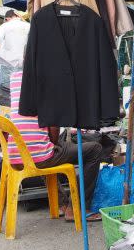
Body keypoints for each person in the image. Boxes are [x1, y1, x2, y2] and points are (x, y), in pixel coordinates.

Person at [7, 70, 102, 222]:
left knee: (45, 145)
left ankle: (62, 204)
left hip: (15, 156)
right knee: (94, 150)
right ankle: (76, 208)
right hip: (38, 156)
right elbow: (53, 125)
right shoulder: (48, 80)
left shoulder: (14, 78)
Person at [0, 10, 29, 114]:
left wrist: (4, 57)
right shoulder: (29, 26)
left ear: (7, 19)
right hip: (26, 68)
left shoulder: (4, 27)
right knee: (23, 96)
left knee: (3, 98)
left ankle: (2, 123)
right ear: (17, 15)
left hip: (7, 67)